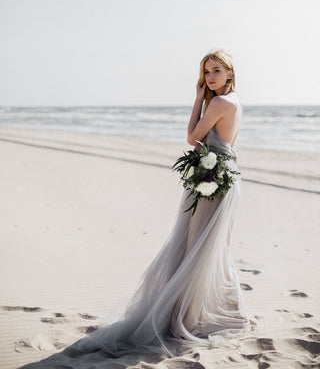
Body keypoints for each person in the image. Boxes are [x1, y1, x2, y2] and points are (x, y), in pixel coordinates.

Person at [20, 50, 250, 368]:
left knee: (194, 248)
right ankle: (218, 310)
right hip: (226, 178)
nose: (209, 77)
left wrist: (197, 100)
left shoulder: (217, 103)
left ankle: (187, 316)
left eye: (216, 71)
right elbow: (227, 144)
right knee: (212, 248)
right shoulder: (237, 100)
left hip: (210, 180)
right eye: (206, 72)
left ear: (229, 72)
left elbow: (192, 137)